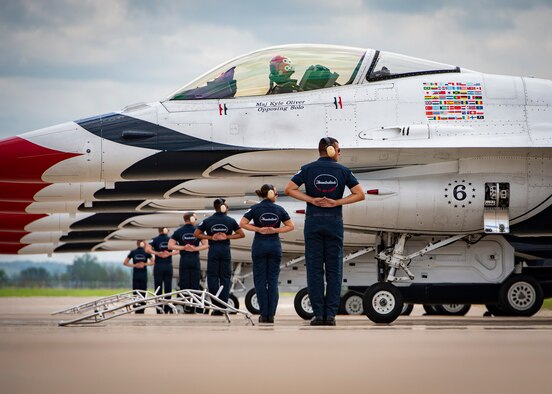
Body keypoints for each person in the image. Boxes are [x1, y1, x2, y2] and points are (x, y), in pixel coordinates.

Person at [285, 137, 365, 326]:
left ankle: (318, 314)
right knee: (334, 270)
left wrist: (311, 199)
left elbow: (289, 189)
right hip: (334, 222)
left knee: (314, 270)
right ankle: (330, 315)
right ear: (331, 150)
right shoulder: (343, 171)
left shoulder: (307, 169)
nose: (339, 153)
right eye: (339, 149)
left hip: (313, 221)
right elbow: (360, 194)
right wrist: (337, 202)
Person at [240, 184, 295, 324]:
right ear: (271, 194)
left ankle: (264, 314)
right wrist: (275, 230)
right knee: (272, 281)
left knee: (260, 281)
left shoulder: (255, 208)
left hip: (259, 245)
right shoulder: (279, 209)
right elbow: (290, 226)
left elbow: (243, 223)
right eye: (276, 194)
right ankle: (271, 315)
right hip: (274, 246)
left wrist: (258, 229)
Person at [194, 198, 245, 311]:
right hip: (225, 250)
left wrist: (210, 237)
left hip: (213, 250)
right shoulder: (230, 220)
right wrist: (227, 236)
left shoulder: (208, 221)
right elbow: (241, 234)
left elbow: (196, 234)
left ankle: (216, 305)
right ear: (223, 207)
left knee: (212, 277)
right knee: (225, 278)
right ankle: (223, 305)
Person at [169, 212, 209, 294]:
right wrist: (195, 248)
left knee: (184, 284)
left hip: (184, 260)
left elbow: (170, 246)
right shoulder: (198, 231)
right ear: (192, 219)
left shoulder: (178, 231)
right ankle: (194, 304)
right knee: (195, 284)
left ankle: (185, 305)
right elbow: (206, 245)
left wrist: (183, 247)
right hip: (195, 259)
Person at [146, 227, 179, 314]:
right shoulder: (170, 239)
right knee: (168, 288)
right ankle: (167, 308)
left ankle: (159, 308)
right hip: (168, 265)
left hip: (158, 266)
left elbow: (147, 249)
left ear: (159, 231)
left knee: (158, 288)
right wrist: (170, 253)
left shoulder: (155, 240)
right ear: (166, 231)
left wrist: (157, 253)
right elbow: (179, 249)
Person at [123, 240, 154, 314]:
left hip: (137, 274)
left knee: (136, 291)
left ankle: (137, 307)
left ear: (137, 244)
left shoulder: (133, 252)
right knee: (143, 291)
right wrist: (144, 264)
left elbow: (125, 262)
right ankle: (142, 308)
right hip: (142, 274)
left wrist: (135, 265)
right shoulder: (146, 252)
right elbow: (153, 262)